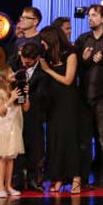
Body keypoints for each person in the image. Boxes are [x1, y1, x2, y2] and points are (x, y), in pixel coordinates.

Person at [74, 4, 103, 189]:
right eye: (89, 15)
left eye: (94, 15)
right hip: (83, 96)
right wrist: (83, 59)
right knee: (84, 141)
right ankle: (82, 178)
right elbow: (75, 69)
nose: (90, 18)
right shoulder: (83, 39)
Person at [39, 25, 82, 193]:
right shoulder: (47, 56)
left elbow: (68, 80)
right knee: (54, 140)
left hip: (68, 101)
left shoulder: (70, 54)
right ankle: (57, 177)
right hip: (52, 102)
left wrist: (48, 70)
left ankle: (76, 177)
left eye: (44, 39)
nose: (42, 43)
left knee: (70, 140)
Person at [0, 64, 26, 197]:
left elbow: (25, 108)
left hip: (14, 127)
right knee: (2, 157)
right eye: (10, 72)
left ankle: (9, 185)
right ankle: (0, 186)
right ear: (2, 77)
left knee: (10, 157)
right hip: (2, 128)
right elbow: (0, 111)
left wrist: (25, 95)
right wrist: (10, 99)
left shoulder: (15, 89)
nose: (13, 74)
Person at [11, 41, 48, 192]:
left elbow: (44, 94)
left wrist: (28, 95)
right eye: (24, 60)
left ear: (37, 58)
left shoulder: (43, 71)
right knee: (18, 146)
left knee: (35, 146)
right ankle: (17, 179)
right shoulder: (14, 64)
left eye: (29, 61)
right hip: (16, 111)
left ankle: (34, 179)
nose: (26, 63)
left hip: (35, 112)